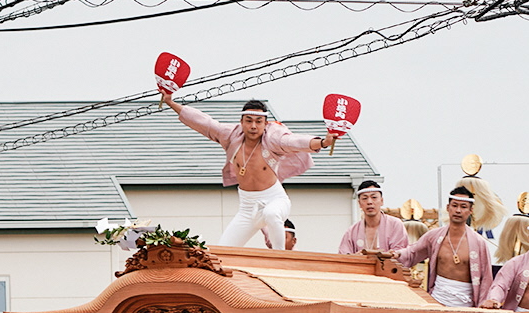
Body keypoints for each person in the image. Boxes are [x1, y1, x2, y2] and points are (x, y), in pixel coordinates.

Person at [161, 95, 334, 249]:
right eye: (249, 121)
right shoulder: (230, 135)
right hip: (247, 206)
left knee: (271, 214)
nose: (253, 126)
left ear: (265, 124)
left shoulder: (273, 138)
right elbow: (204, 122)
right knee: (225, 252)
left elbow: (295, 141)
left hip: (274, 198)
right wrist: (170, 102)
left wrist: (323, 143)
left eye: (258, 121)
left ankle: (280, 256)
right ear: (241, 121)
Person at [338, 180, 409, 255]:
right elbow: (344, 256)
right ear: (359, 203)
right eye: (365, 198)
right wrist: (355, 257)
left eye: (374, 197)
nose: (369, 202)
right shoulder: (352, 231)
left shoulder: (395, 225)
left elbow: (401, 254)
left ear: (381, 201)